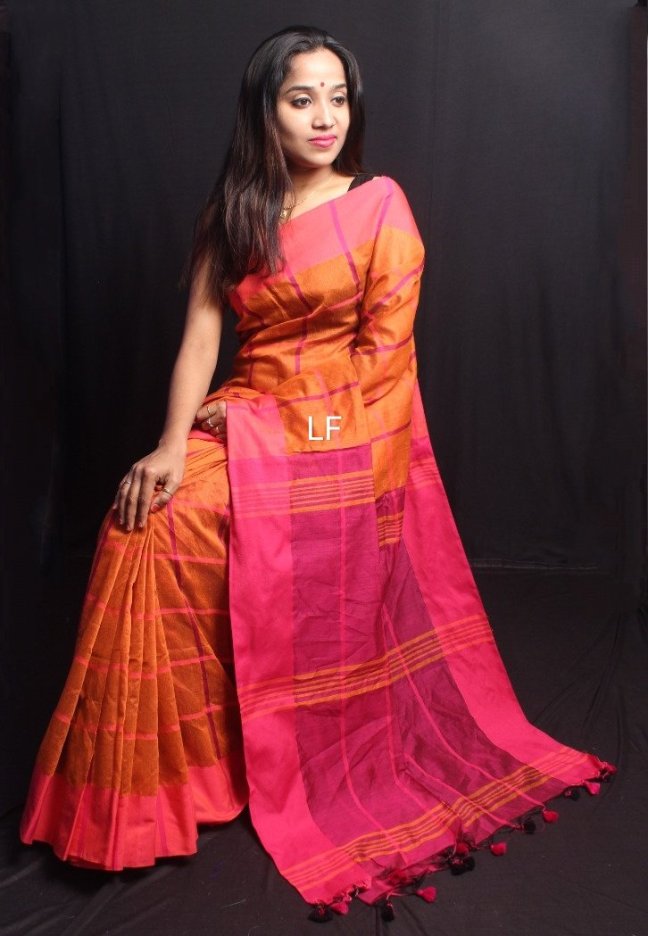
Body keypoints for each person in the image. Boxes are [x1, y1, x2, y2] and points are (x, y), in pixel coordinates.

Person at [19, 25, 616, 922]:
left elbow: (383, 361)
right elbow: (201, 343)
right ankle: (175, 788)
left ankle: (250, 754)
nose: (325, 116)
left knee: (194, 524)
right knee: (145, 525)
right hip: (245, 417)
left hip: (344, 430)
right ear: (266, 112)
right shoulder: (234, 215)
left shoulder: (379, 206)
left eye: (338, 98)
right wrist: (172, 444)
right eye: (302, 100)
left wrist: (266, 421)